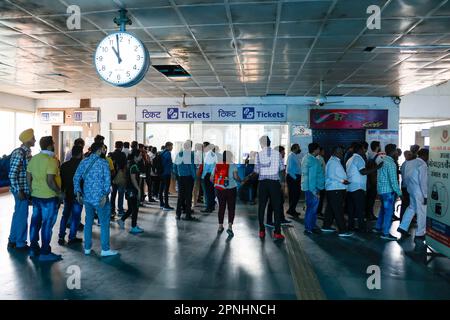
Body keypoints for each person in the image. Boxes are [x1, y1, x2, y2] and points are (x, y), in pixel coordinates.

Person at [74, 142, 118, 257]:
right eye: (103, 149)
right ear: (99, 150)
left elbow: (76, 177)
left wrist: (78, 191)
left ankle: (87, 248)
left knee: (88, 222)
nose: (104, 151)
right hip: (100, 199)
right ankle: (105, 249)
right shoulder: (103, 163)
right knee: (104, 224)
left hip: (87, 198)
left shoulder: (84, 161)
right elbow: (108, 181)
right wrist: (105, 195)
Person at [27, 136, 63, 261]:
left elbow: (28, 177)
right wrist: (59, 192)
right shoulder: (51, 160)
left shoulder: (33, 159)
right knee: (47, 224)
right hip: (49, 197)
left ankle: (33, 249)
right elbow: (50, 181)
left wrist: (32, 191)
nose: (54, 145)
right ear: (49, 146)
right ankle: (45, 252)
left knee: (35, 223)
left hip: (36, 196)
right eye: (53, 143)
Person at [8, 128, 35, 251]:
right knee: (22, 216)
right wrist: (18, 190)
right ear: (27, 140)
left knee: (18, 214)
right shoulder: (19, 153)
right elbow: (12, 174)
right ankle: (20, 243)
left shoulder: (27, 153)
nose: (34, 139)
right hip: (20, 190)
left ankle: (13, 240)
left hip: (23, 190)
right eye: (33, 137)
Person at [253, 136, 285, 240]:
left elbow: (256, 171)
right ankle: (277, 232)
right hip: (274, 183)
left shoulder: (258, 155)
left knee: (261, 207)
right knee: (276, 207)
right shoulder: (277, 154)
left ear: (261, 144)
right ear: (270, 143)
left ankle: (262, 231)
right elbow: (282, 169)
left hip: (263, 183)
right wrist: (283, 183)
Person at [346, 143, 382, 233]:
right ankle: (361, 228)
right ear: (360, 150)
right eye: (363, 149)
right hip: (358, 188)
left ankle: (351, 226)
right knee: (360, 209)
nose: (365, 151)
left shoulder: (350, 159)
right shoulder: (358, 158)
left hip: (350, 187)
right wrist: (377, 167)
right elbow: (363, 172)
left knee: (351, 209)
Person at [321, 146, 353, 237]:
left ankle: (326, 226)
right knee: (338, 210)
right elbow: (331, 175)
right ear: (335, 152)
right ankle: (343, 230)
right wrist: (343, 181)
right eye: (340, 152)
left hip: (335, 189)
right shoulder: (333, 162)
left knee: (330, 209)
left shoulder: (334, 161)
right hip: (335, 189)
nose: (342, 154)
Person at [397, 148, 429, 240]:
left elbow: (404, 176)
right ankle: (420, 233)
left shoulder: (409, 162)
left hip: (410, 189)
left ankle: (403, 227)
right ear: (425, 155)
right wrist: (426, 195)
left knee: (412, 208)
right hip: (419, 191)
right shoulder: (422, 164)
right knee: (422, 211)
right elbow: (423, 181)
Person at [373, 144, 402, 241]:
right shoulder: (391, 163)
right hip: (388, 192)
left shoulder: (382, 160)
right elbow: (393, 180)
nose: (397, 153)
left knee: (383, 210)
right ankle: (385, 233)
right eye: (396, 151)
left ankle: (378, 227)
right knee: (388, 212)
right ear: (393, 151)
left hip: (381, 191)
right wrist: (399, 193)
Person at [211, 151, 241, 236]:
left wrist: (217, 184)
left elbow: (211, 178)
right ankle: (230, 227)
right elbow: (235, 177)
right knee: (231, 208)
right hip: (231, 189)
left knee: (221, 207)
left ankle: (220, 226)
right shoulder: (232, 164)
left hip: (220, 190)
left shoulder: (217, 165)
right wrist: (240, 180)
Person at [58, 145, 83, 246]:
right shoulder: (81, 165)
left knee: (65, 215)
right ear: (80, 154)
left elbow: (61, 181)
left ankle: (61, 236)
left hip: (67, 194)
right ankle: (72, 237)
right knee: (75, 217)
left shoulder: (64, 165)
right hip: (77, 194)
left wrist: (62, 192)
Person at [117, 149, 144, 234]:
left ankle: (121, 220)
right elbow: (133, 179)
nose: (141, 157)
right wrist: (138, 189)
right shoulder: (133, 166)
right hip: (132, 189)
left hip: (129, 189)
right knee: (135, 208)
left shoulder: (131, 163)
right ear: (136, 156)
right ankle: (133, 227)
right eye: (140, 155)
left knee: (131, 209)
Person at [301, 143, 325, 235]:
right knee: (312, 209)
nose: (319, 151)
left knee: (310, 208)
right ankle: (309, 227)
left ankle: (310, 226)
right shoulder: (313, 161)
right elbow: (312, 177)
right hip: (313, 188)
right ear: (315, 150)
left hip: (308, 187)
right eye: (318, 149)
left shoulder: (306, 158)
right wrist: (315, 191)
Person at [266, 146, 290, 227]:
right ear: (279, 152)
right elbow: (282, 171)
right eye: (283, 152)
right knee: (274, 203)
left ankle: (281, 219)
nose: (284, 153)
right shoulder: (278, 158)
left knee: (278, 202)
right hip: (276, 184)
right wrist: (283, 184)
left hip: (272, 184)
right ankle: (270, 221)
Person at [173, 140, 197, 220]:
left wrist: (177, 175)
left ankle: (178, 214)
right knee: (188, 196)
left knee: (180, 196)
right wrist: (195, 177)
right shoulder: (189, 155)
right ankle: (188, 215)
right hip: (188, 178)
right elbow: (192, 168)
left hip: (180, 178)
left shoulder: (179, 154)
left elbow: (174, 167)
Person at [366, 141, 382, 221]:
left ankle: (368, 213)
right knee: (372, 198)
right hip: (374, 180)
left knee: (368, 198)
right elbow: (381, 167)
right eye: (379, 146)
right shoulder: (378, 157)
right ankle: (370, 215)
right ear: (377, 147)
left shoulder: (368, 154)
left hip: (368, 179)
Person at [110, 141, 127, 218]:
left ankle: (112, 210)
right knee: (121, 193)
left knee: (113, 194)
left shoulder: (111, 154)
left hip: (113, 176)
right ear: (122, 146)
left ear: (115, 146)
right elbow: (124, 166)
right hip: (120, 176)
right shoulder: (123, 154)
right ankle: (120, 210)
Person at [286, 144, 302, 217]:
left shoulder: (295, 156)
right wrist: (295, 178)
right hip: (293, 177)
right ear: (295, 148)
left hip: (295, 177)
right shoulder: (291, 156)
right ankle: (291, 210)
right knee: (294, 194)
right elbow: (289, 169)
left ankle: (292, 209)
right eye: (298, 148)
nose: (299, 149)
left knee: (295, 195)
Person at [201, 143, 217, 213]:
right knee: (211, 191)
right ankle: (212, 206)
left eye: (203, 147)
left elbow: (206, 167)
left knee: (207, 192)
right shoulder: (214, 154)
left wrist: (203, 175)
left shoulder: (208, 155)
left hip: (207, 175)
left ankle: (208, 207)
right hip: (212, 174)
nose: (203, 148)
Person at [399, 150, 414, 221]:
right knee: (406, 204)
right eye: (410, 154)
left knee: (407, 203)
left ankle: (405, 218)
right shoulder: (406, 165)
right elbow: (407, 177)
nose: (412, 156)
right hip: (406, 187)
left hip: (406, 186)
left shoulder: (406, 164)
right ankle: (403, 219)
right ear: (406, 156)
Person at [159, 141, 174, 211]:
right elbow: (169, 163)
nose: (172, 148)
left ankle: (161, 203)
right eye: (171, 146)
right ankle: (166, 205)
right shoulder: (168, 153)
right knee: (166, 189)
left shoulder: (162, 152)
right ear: (168, 146)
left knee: (161, 188)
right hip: (166, 173)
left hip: (161, 173)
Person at [192, 143, 203, 207]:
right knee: (196, 187)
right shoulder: (200, 154)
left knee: (195, 187)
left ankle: (195, 201)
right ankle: (195, 202)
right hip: (199, 171)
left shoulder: (195, 153)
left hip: (196, 171)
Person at [316, 147, 326, 217]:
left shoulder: (319, 158)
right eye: (323, 151)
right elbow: (320, 170)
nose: (324, 153)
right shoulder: (319, 159)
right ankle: (318, 211)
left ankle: (318, 211)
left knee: (320, 197)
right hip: (320, 181)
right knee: (320, 197)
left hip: (321, 180)